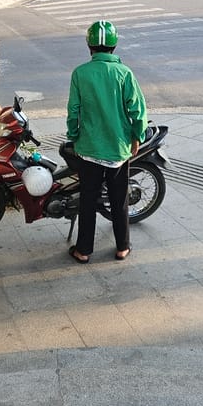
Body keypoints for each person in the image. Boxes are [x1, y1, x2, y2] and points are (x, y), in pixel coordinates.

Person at [66, 20, 147, 263]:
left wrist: (74, 135)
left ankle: (83, 251)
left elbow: (73, 111)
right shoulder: (125, 73)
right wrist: (137, 136)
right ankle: (122, 247)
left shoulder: (80, 73)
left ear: (89, 45)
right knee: (118, 199)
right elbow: (138, 112)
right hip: (118, 149)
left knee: (87, 200)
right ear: (114, 45)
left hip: (88, 148)